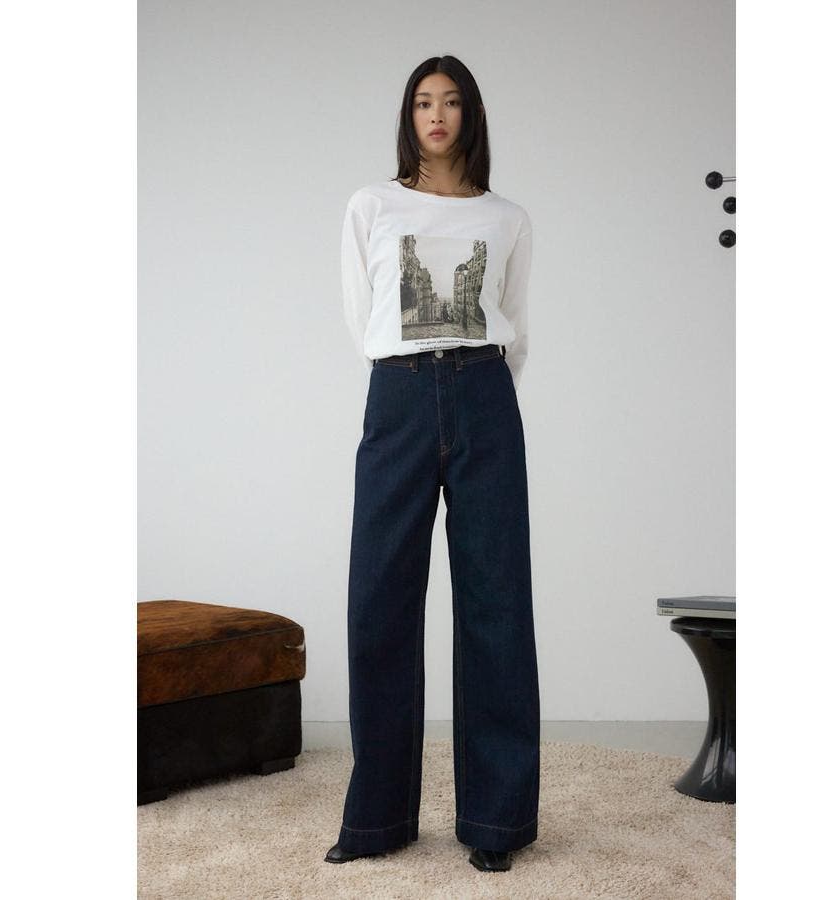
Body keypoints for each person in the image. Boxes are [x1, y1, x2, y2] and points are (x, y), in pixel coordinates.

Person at [325, 55, 540, 875]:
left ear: (470, 114)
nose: (437, 115)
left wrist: (472, 382)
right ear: (408, 116)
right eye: (423, 102)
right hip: (399, 395)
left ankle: (495, 822)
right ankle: (377, 820)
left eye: (450, 102)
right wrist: (411, 373)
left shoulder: (507, 218)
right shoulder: (371, 205)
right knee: (378, 600)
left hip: (484, 393)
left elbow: (514, 319)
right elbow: (363, 316)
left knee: (496, 604)